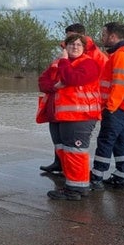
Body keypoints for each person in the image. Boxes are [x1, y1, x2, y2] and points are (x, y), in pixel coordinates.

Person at [37, 33, 101, 200]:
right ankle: (74, 185)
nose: (75, 47)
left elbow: (71, 78)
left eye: (79, 45)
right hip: (63, 116)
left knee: (75, 152)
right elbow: (42, 82)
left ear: (84, 48)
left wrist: (64, 61)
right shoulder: (57, 63)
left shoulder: (89, 64)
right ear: (65, 46)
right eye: (71, 44)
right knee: (67, 151)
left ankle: (76, 189)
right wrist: (54, 86)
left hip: (81, 116)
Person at [91, 22, 124, 191]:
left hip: (117, 107)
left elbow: (119, 84)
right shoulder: (122, 53)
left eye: (103, 35)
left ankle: (96, 176)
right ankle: (121, 177)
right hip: (123, 106)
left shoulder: (121, 55)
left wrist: (110, 107)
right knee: (120, 140)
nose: (102, 38)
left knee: (105, 140)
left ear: (113, 36)